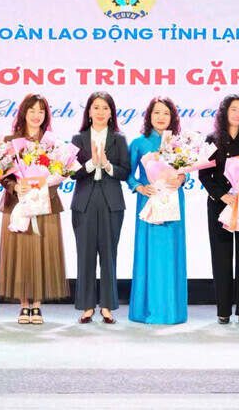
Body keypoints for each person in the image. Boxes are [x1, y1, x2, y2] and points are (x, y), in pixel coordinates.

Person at [0, 94, 69, 325]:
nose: (36, 115)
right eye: (32, 110)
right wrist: (15, 186)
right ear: (23, 113)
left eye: (41, 111)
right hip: (18, 204)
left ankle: (37, 305)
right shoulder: (10, 141)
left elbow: (61, 173)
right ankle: (23, 305)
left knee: (41, 254)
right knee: (21, 253)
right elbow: (2, 175)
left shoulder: (53, 144)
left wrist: (49, 182)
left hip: (45, 205)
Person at [198, 94, 239, 325]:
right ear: (224, 112)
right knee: (221, 256)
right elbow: (203, 173)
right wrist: (221, 195)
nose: (237, 113)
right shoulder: (212, 139)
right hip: (220, 203)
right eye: (233, 109)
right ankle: (223, 310)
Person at [70, 91, 131, 325]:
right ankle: (86, 306)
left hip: (111, 201)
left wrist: (106, 165)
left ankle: (107, 305)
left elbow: (126, 172)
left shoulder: (119, 138)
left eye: (105, 108)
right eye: (96, 107)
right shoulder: (78, 138)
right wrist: (90, 164)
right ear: (89, 111)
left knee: (109, 254)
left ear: (111, 112)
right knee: (85, 254)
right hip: (84, 201)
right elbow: (71, 172)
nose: (101, 112)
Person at [127, 97, 188, 324]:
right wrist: (139, 187)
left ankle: (172, 310)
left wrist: (182, 177)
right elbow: (128, 173)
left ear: (172, 118)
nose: (161, 118)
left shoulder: (179, 143)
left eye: (166, 114)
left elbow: (187, 169)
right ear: (149, 117)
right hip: (149, 202)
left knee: (171, 254)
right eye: (156, 113)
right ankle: (147, 310)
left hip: (173, 202)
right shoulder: (139, 143)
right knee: (150, 254)